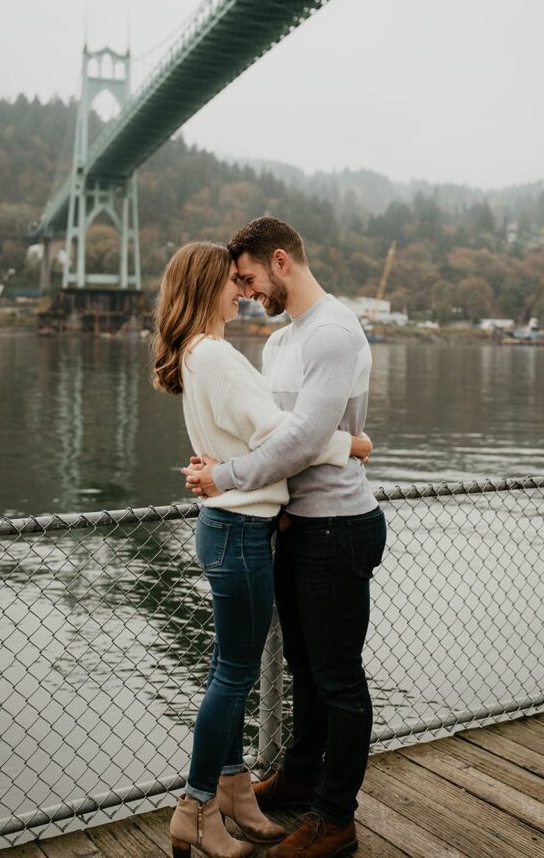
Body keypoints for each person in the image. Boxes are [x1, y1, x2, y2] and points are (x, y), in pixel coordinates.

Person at [152, 241, 373, 858]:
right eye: (232, 280)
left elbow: (263, 436)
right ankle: (198, 806)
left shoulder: (198, 354)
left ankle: (232, 793)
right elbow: (286, 435)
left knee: (229, 670)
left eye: (243, 278)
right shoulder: (217, 354)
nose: (240, 291)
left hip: (236, 525)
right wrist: (350, 445)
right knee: (233, 676)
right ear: (206, 287)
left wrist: (225, 469)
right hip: (241, 530)